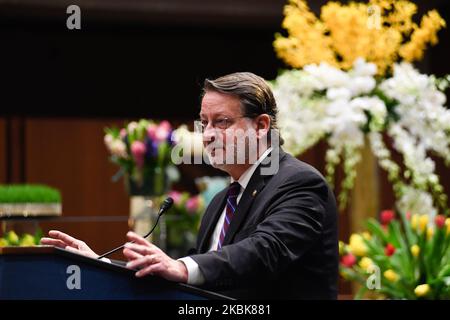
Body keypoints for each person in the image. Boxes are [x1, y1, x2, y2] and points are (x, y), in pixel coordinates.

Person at [41, 72, 338, 299]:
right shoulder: (222, 201)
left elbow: (264, 251)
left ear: (261, 126)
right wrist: (99, 265)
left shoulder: (299, 183)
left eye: (221, 122)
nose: (207, 134)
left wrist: (182, 267)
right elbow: (190, 277)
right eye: (203, 122)